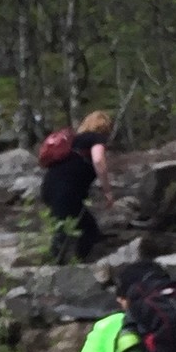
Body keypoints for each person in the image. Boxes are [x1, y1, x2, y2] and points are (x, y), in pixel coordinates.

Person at [40, 109, 112, 261]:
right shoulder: (96, 138)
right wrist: (107, 191)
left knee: (82, 228)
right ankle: (60, 268)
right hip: (65, 191)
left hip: (50, 187)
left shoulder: (73, 141)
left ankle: (70, 263)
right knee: (74, 231)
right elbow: (98, 160)